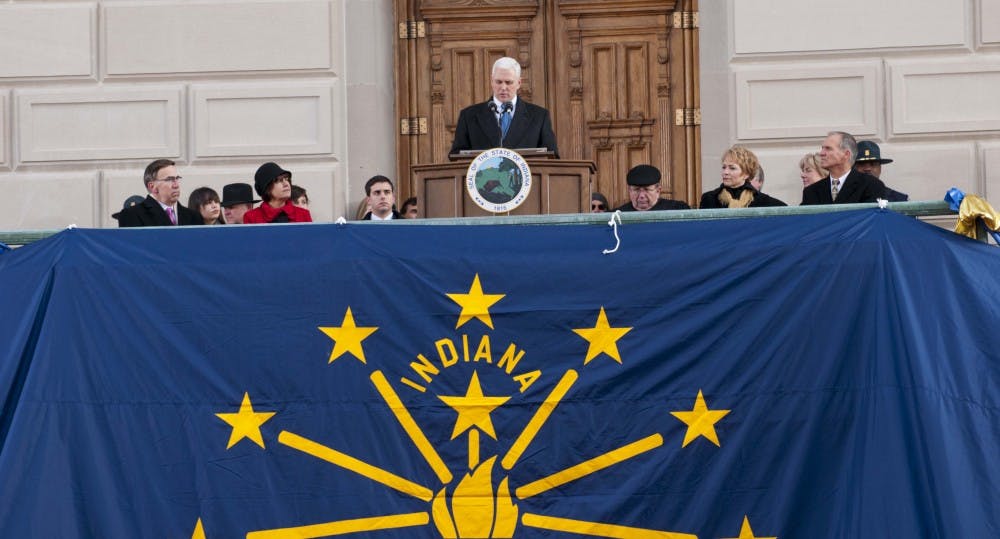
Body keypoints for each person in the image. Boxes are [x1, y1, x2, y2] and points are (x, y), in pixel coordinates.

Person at [449, 57, 559, 157]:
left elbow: (551, 156)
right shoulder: (469, 116)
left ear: (519, 83)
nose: (503, 87)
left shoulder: (539, 116)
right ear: (492, 81)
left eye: (508, 82)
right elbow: (456, 156)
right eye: (498, 82)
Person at [802, 131, 886, 205]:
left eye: (828, 149)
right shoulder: (811, 192)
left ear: (846, 154)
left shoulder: (871, 186)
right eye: (822, 148)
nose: (821, 153)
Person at [117, 159, 203, 227]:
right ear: (152, 186)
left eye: (177, 178)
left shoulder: (194, 216)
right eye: (169, 179)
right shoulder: (131, 215)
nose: (176, 185)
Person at [700, 146, 786, 209]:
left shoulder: (761, 201)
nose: (725, 172)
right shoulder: (709, 199)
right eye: (724, 167)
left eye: (732, 168)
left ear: (746, 174)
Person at [243, 162, 313, 224]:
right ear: (267, 188)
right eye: (279, 180)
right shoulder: (251, 217)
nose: (286, 184)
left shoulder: (303, 214)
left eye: (287, 179)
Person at [616, 165, 690, 212]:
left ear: (658, 190)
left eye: (647, 189)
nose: (641, 195)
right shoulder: (616, 215)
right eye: (636, 190)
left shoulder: (678, 209)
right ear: (629, 190)